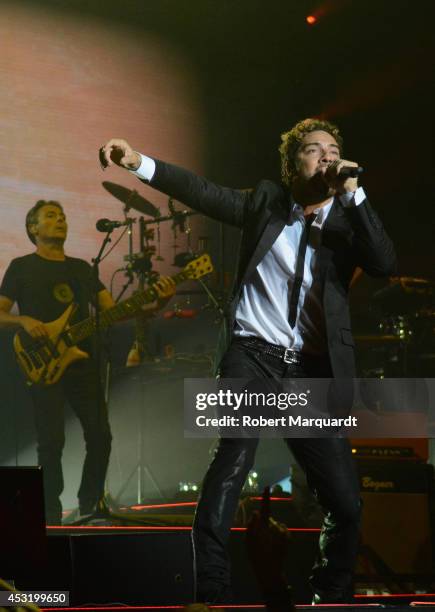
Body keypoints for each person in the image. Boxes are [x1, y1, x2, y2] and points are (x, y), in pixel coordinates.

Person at [100, 117, 396, 604]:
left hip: (309, 370)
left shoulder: (348, 222)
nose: (325, 155)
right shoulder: (265, 201)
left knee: (344, 500)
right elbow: (203, 192)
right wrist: (138, 163)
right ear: (291, 164)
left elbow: (385, 264)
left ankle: (330, 594)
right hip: (252, 354)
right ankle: (211, 591)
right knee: (233, 460)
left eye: (333, 147)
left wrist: (354, 194)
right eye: (312, 148)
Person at [0, 199, 175, 525]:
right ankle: (49, 513)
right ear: (33, 228)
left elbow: (112, 312)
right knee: (50, 442)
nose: (60, 219)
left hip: (83, 362)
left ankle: (89, 503)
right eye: (50, 216)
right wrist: (23, 321)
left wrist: (155, 303)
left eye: (63, 215)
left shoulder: (81, 270)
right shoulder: (21, 267)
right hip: (42, 363)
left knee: (100, 436)